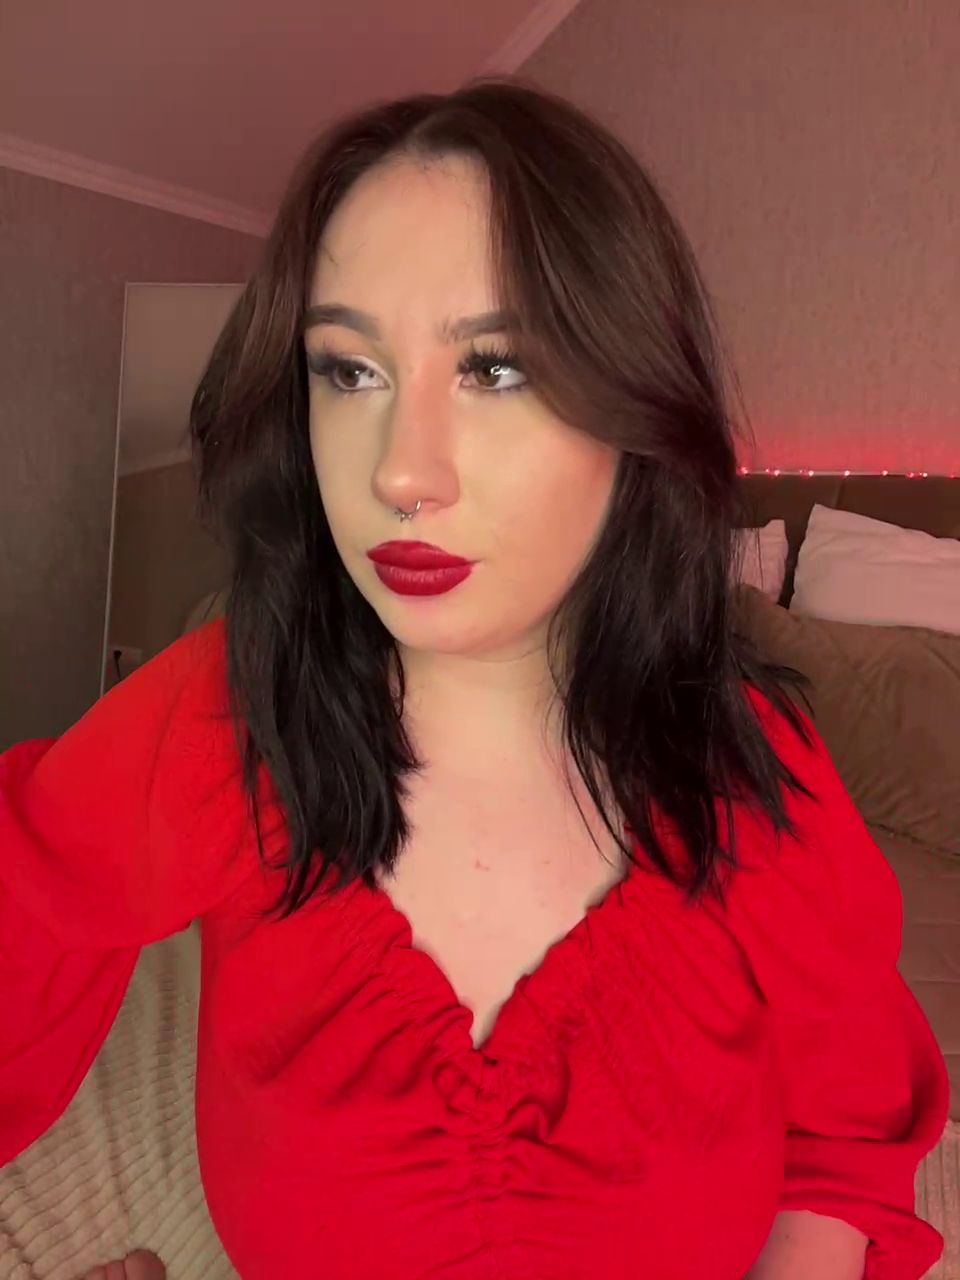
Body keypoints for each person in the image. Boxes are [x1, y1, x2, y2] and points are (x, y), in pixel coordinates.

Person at [0, 77, 949, 1280]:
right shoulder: (226, 709)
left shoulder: (748, 765)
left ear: (635, 404)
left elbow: (845, 1139)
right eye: (350, 370)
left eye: (495, 368)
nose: (402, 473)